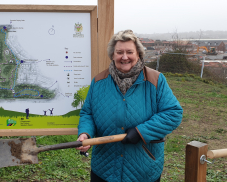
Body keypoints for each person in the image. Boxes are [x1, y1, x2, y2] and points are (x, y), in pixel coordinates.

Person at [75, 30, 183, 182]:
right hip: (105, 169)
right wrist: (85, 133)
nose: (124, 57)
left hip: (143, 170)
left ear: (138, 53)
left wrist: (141, 132)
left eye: (129, 52)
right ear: (112, 55)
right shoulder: (99, 82)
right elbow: (88, 113)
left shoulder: (156, 80)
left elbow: (173, 113)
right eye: (119, 52)